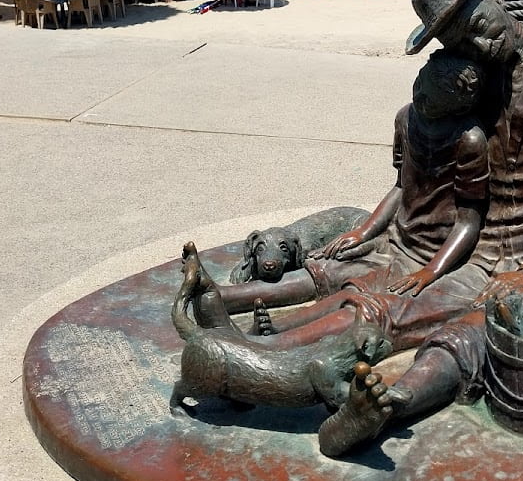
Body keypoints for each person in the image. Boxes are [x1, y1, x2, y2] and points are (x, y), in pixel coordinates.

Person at [194, 0, 523, 454]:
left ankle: (387, 406)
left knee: (473, 335)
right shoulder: (471, 82)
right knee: (391, 311)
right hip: (482, 252)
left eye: (480, 26)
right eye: (460, 40)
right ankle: (253, 358)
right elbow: (437, 170)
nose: (478, 46)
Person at [195, 49, 489, 320]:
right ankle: (223, 298)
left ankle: (277, 328)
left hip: (431, 252)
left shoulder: (470, 140)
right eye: (419, 84)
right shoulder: (406, 118)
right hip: (396, 236)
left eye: (431, 97)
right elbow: (400, 188)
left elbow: (468, 223)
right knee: (327, 266)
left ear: (456, 104)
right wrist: (362, 232)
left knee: (358, 290)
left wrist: (431, 271)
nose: (420, 97)